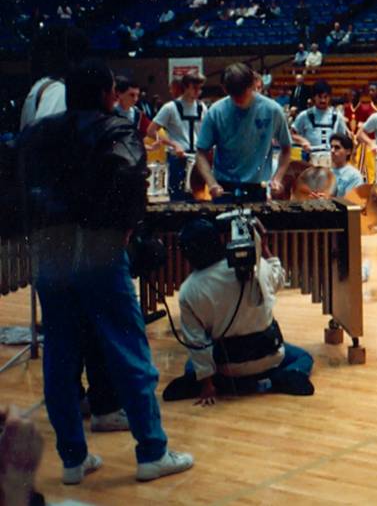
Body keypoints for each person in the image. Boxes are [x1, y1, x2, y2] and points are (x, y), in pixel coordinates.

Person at [17, 58, 194, 483]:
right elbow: (130, 184)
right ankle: (152, 451)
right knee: (128, 349)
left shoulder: (36, 135)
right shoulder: (115, 129)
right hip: (98, 253)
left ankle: (72, 461)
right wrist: (126, 230)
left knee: (59, 356)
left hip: (51, 254)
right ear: (106, 94)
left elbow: (17, 188)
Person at [161, 219, 315, 403]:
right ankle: (276, 379)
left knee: (190, 365)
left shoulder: (188, 290)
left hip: (226, 366)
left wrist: (206, 385)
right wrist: (264, 249)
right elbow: (280, 279)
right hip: (269, 356)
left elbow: (197, 343)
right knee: (304, 357)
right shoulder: (254, 267)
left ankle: (220, 384)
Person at [196, 63, 292, 202]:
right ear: (225, 89)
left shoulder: (272, 110)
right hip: (224, 187)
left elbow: (286, 149)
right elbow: (201, 153)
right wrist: (211, 183)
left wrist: (277, 178)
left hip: (257, 187)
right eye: (234, 95)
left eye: (243, 93)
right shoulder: (215, 112)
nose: (239, 99)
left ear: (253, 84)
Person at [147, 72, 208, 201]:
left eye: (200, 88)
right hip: (178, 159)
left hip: (197, 160)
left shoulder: (202, 107)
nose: (198, 92)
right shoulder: (170, 108)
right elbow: (151, 131)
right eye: (194, 88)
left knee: (199, 199)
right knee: (178, 199)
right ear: (185, 87)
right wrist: (173, 144)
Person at [290, 80, 349, 153]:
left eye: (325, 97)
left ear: (330, 97)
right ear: (314, 97)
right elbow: (292, 134)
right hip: (310, 157)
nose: (323, 100)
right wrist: (302, 141)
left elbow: (343, 139)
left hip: (331, 157)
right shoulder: (304, 115)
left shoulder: (337, 116)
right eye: (320, 97)